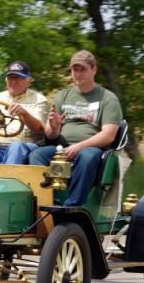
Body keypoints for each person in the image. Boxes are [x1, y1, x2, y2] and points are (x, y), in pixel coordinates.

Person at [28, 50, 123, 206]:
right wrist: (54, 127)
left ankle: (73, 205)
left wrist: (80, 146)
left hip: (91, 148)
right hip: (62, 148)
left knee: (87, 156)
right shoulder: (62, 96)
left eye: (82, 69)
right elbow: (50, 136)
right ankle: (46, 201)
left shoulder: (107, 98)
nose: (78, 74)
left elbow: (109, 135)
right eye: (74, 70)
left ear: (94, 70)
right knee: (36, 155)